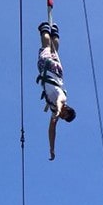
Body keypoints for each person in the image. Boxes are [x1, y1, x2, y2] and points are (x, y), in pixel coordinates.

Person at [37, 22, 76, 161]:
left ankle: (54, 32)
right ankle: (45, 29)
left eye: (63, 117)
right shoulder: (62, 100)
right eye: (65, 114)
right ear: (67, 109)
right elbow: (59, 101)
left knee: (54, 52)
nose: (62, 115)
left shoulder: (55, 110)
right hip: (50, 69)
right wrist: (59, 111)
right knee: (46, 47)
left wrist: (52, 148)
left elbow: (52, 130)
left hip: (57, 71)